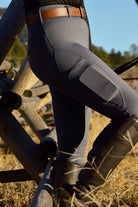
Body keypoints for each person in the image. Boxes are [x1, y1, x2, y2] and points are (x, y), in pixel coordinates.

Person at [23, 0, 138, 206]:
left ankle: (65, 199)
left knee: (71, 153)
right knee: (135, 110)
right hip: (56, 42)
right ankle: (80, 198)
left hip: (74, 43)